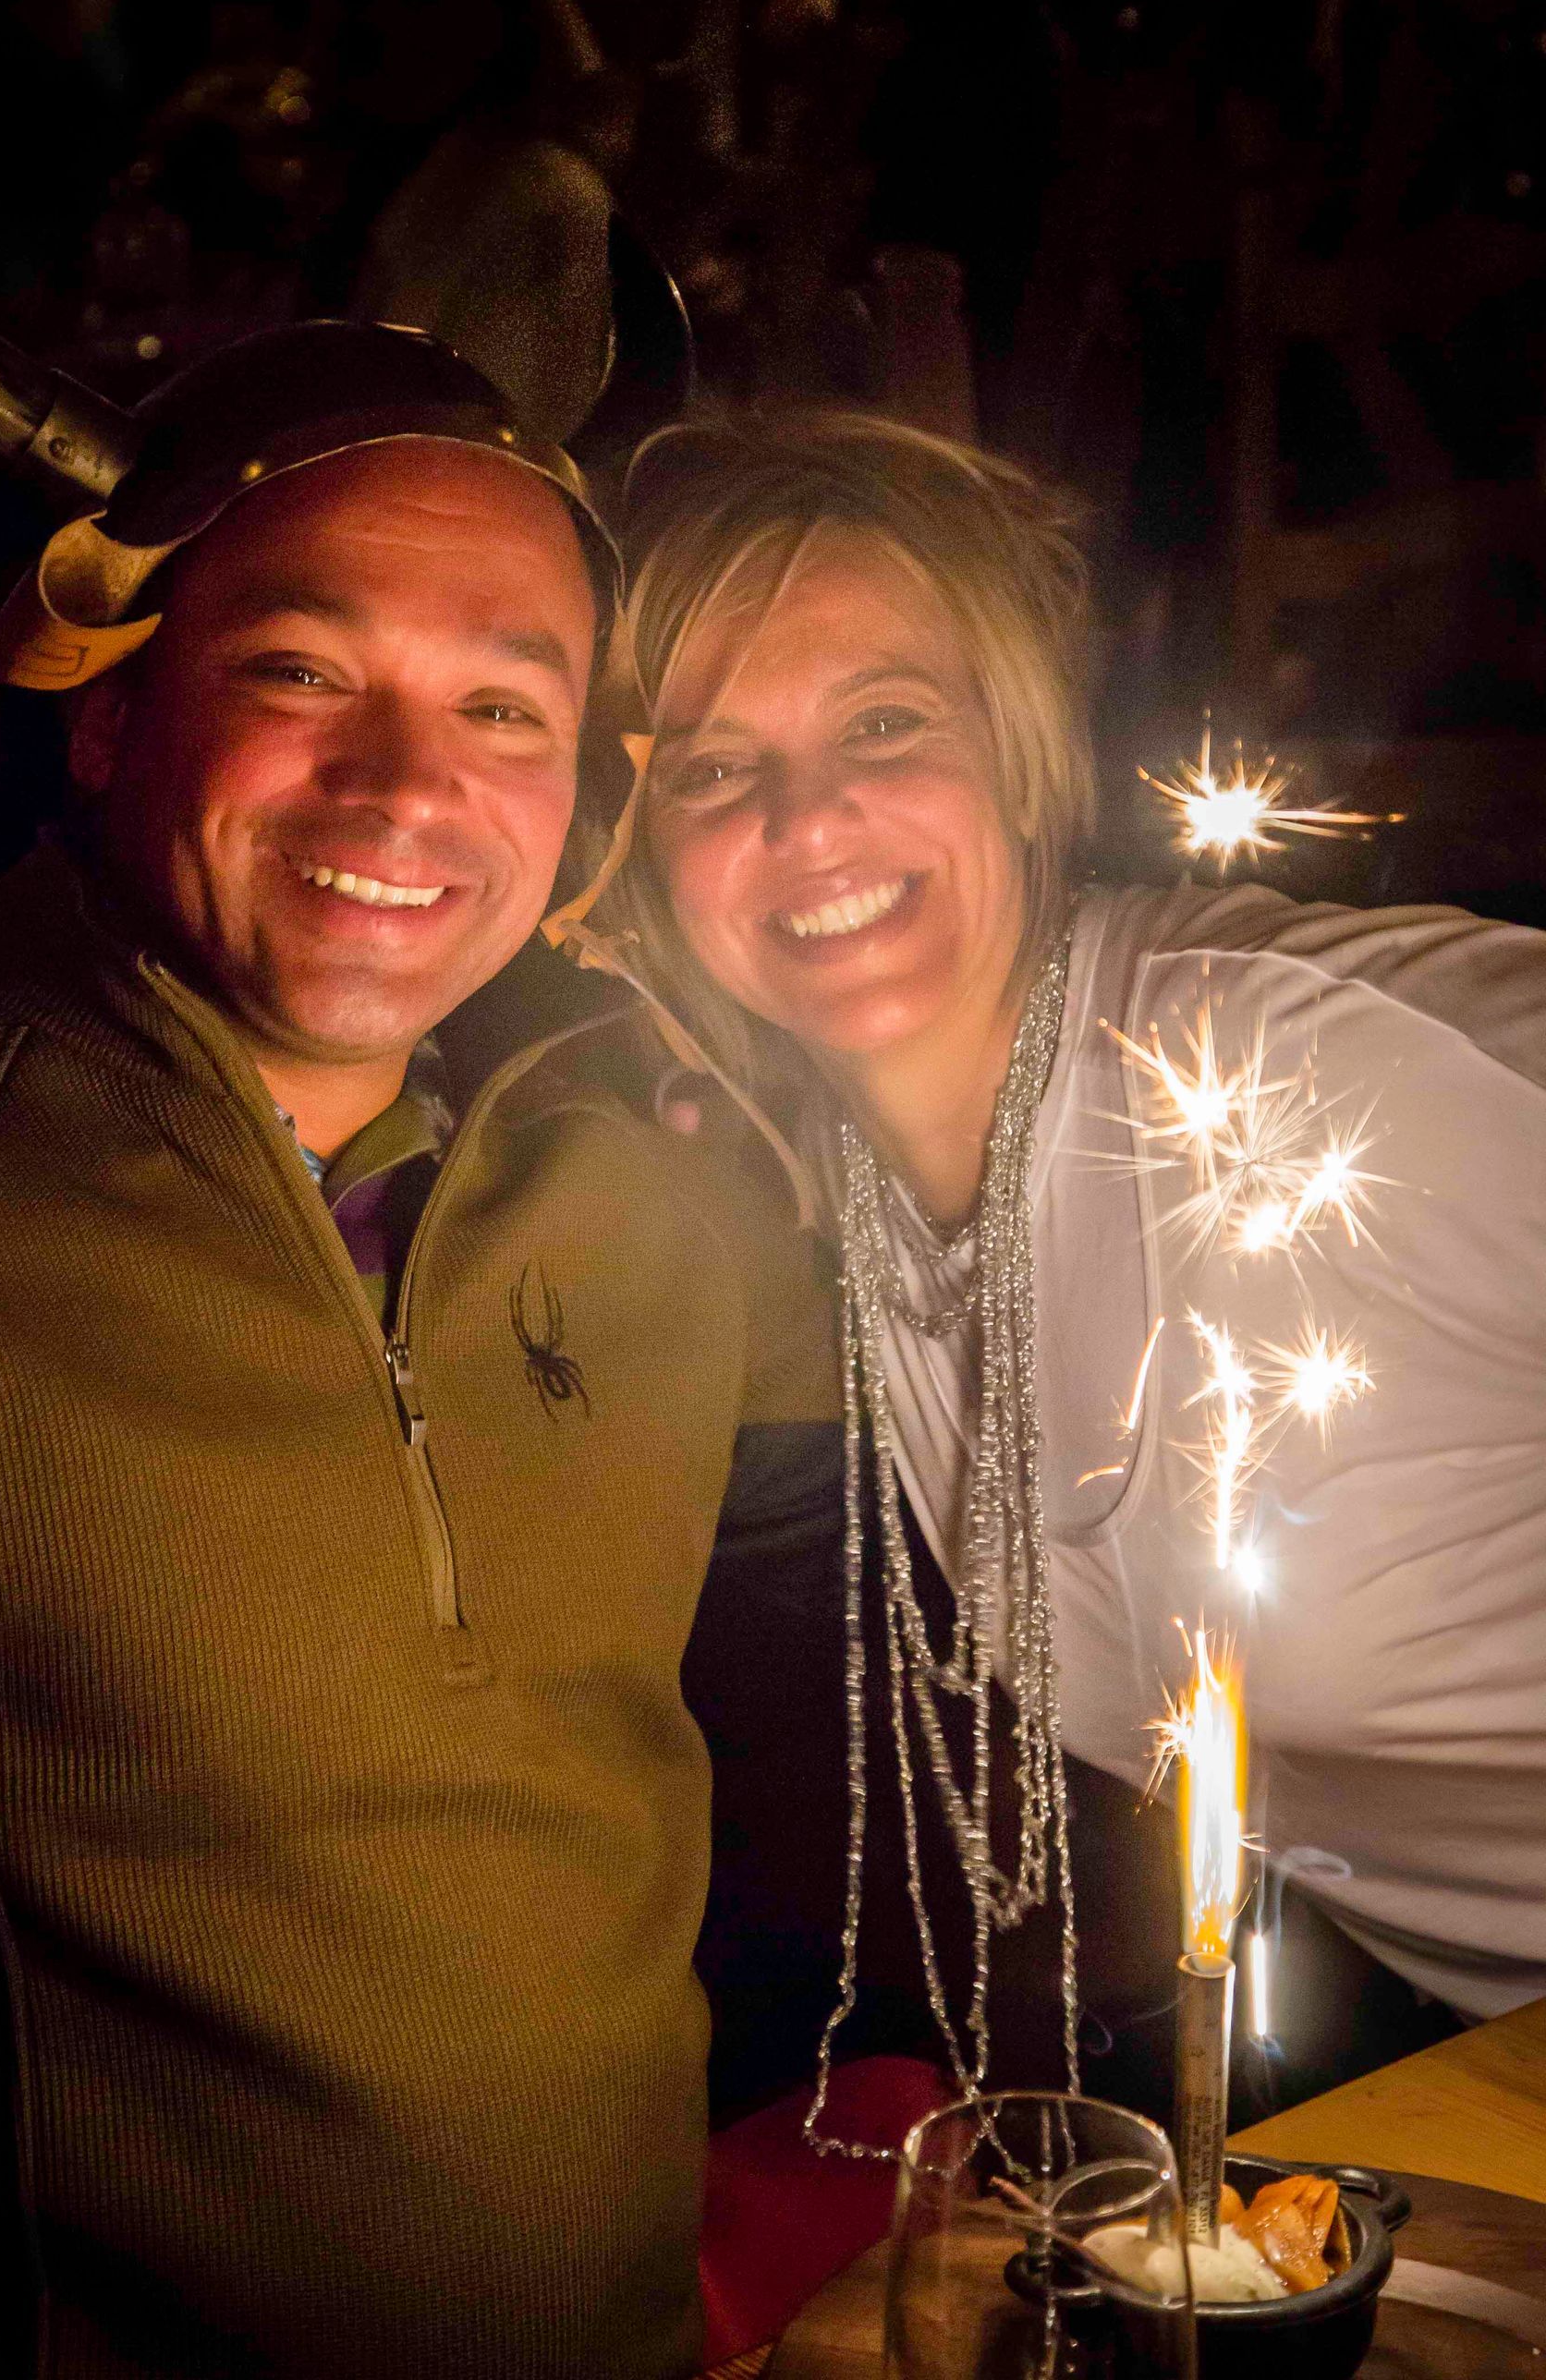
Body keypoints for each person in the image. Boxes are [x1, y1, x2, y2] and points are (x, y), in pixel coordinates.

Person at [0, 323, 836, 2379]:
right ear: (109, 717)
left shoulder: (663, 1197)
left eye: (503, 706)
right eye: (299, 671)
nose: (407, 782)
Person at [584, 407, 1546, 2104]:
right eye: (713, 770)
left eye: (884, 722)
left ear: (1020, 750)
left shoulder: (1316, 1064)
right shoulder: (837, 1211)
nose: (811, 818)